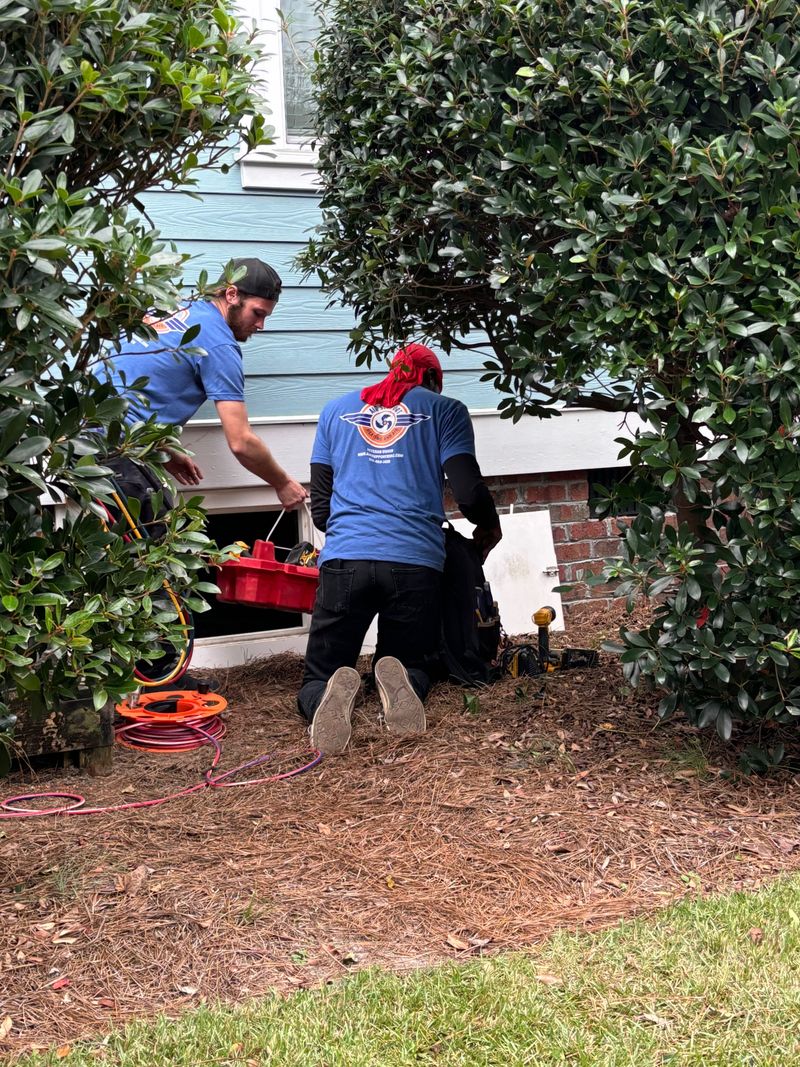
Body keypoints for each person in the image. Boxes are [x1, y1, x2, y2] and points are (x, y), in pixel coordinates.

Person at [299, 343, 501, 754]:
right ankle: (398, 679)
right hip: (414, 561)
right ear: (430, 380)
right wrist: (489, 525)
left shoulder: (334, 411)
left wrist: (349, 530)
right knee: (411, 663)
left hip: (346, 560)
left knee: (320, 671)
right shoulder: (446, 410)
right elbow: (467, 490)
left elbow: (320, 506)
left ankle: (325, 695)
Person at [101, 258, 306, 512]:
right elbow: (241, 441)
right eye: (257, 313)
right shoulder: (219, 343)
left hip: (81, 432)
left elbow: (137, 387)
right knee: (151, 542)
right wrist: (282, 483)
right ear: (231, 294)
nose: (261, 325)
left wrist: (163, 449)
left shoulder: (176, 308)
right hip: (112, 447)